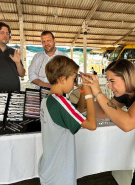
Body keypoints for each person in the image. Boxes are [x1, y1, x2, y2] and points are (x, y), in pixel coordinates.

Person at [38, 55, 97, 185]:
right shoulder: (61, 102)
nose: (75, 82)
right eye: (73, 79)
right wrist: (89, 94)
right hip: (60, 172)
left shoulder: (47, 100)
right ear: (63, 79)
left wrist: (82, 90)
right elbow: (92, 125)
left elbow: (79, 110)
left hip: (50, 166)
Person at [0, 22, 25, 92]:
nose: (5, 35)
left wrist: (18, 63)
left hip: (13, 94)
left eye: (7, 33)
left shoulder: (13, 52)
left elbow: (22, 74)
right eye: (2, 33)